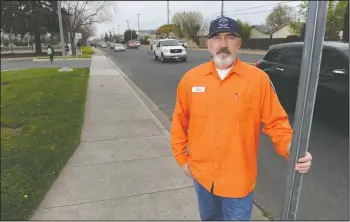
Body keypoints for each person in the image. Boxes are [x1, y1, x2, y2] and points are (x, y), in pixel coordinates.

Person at [170, 16, 313, 221]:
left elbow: (276, 122)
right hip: (201, 175)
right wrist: (181, 158)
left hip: (238, 180)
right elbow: (179, 122)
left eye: (230, 37)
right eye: (217, 38)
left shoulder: (258, 79)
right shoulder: (190, 80)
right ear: (208, 44)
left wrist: (291, 147)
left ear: (239, 43)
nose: (223, 44)